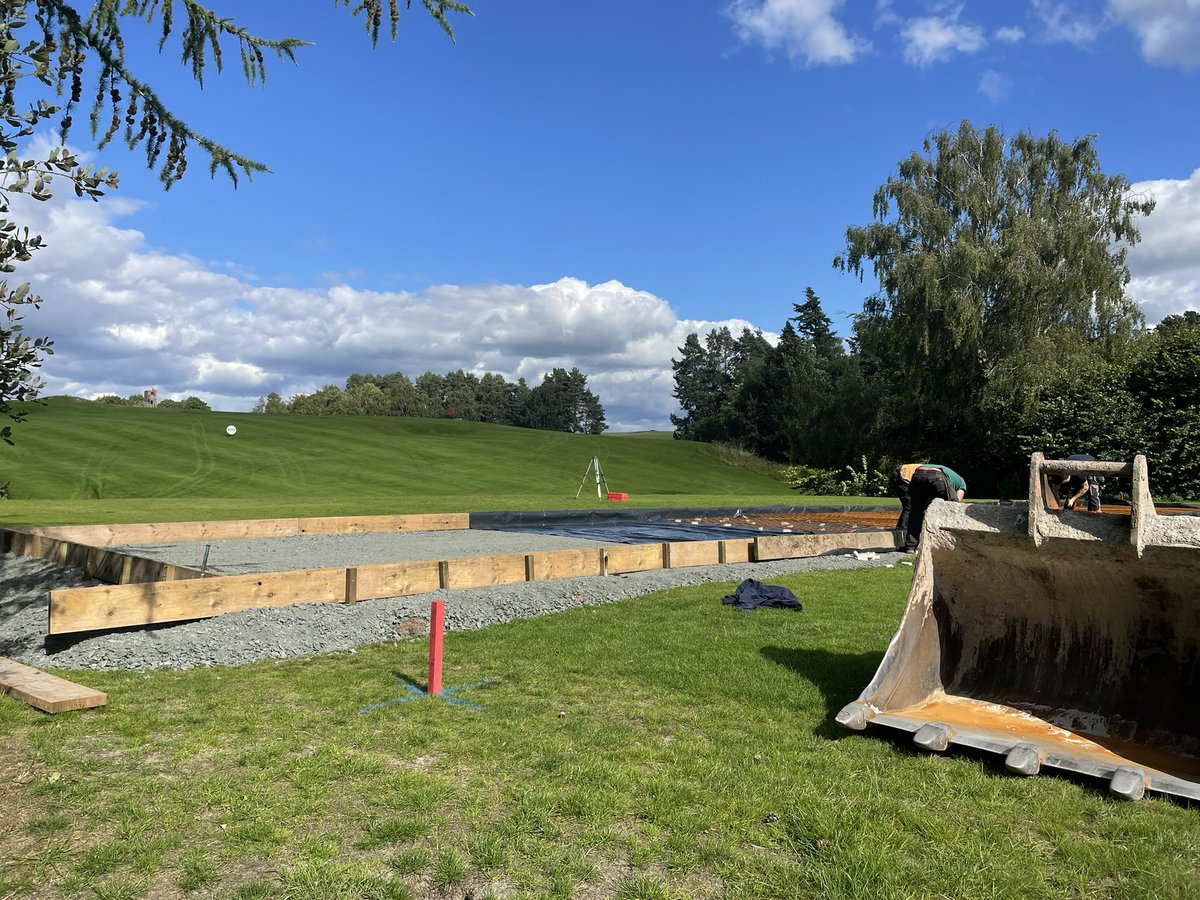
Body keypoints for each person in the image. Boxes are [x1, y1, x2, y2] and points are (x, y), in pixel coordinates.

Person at [904, 464, 967, 552]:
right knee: (951, 510)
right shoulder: (962, 484)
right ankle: (948, 544)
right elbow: (956, 505)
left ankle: (911, 546)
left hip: (917, 475)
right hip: (937, 476)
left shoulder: (952, 475)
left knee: (916, 512)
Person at [889, 462, 926, 533]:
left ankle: (901, 526)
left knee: (908, 505)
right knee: (909, 506)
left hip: (901, 474)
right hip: (901, 476)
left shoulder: (928, 469)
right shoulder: (931, 473)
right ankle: (903, 528)